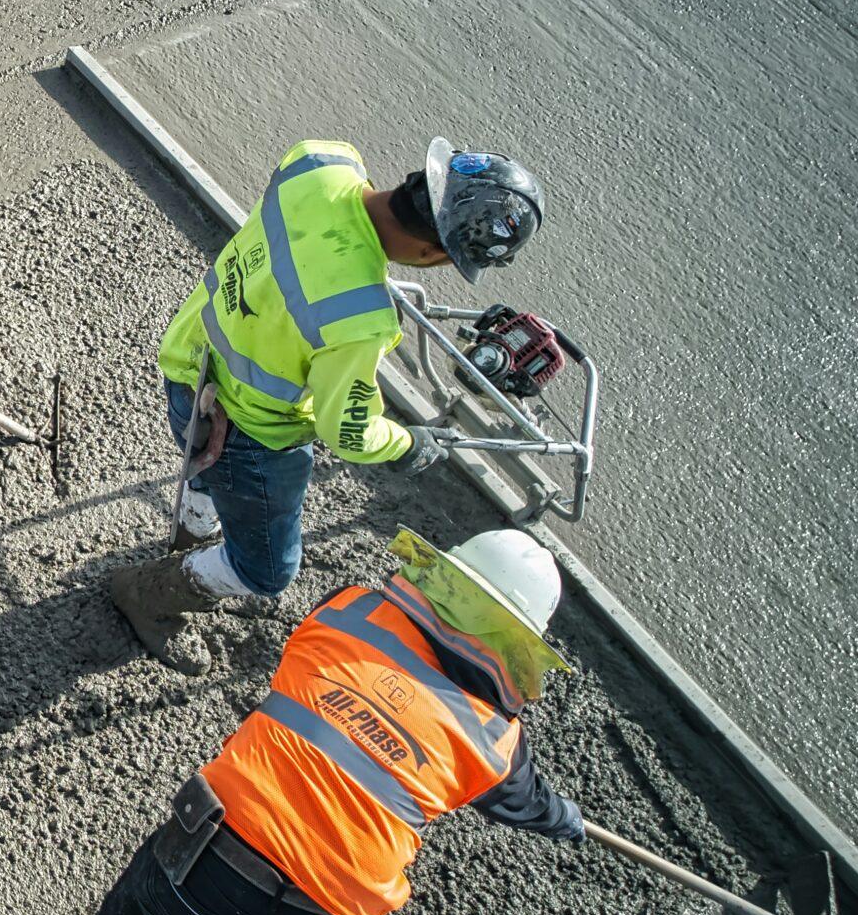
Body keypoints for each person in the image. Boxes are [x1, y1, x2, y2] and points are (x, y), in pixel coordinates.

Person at [7, 528, 585, 915]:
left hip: (211, 848)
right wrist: (568, 821)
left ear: (443, 578)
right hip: (333, 905)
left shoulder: (349, 611)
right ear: (517, 644)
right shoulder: (496, 741)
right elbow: (530, 806)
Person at [110, 139, 547, 673]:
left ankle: (190, 534)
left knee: (200, 469)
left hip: (190, 363)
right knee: (268, 570)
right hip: (250, 434)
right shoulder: (360, 319)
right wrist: (408, 443)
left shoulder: (319, 162)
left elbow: (310, 252)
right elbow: (349, 432)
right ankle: (150, 593)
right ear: (436, 252)